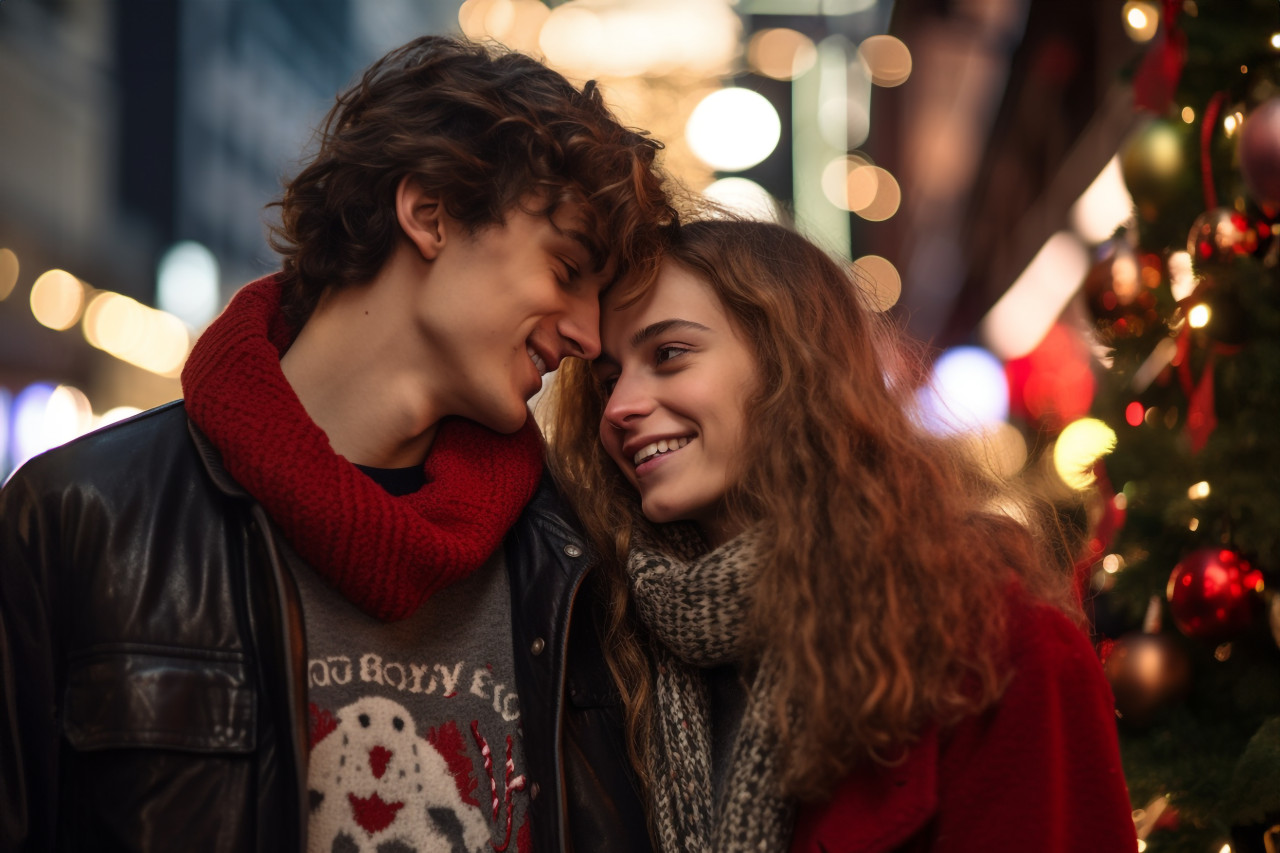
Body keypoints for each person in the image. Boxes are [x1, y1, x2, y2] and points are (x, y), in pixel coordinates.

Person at [0, 36, 672, 852]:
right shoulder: (77, 517)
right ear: (429, 211)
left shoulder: (577, 561)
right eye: (567, 269)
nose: (588, 335)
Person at [548, 218, 1139, 853]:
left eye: (668, 355)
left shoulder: (995, 641)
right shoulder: (605, 639)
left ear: (791, 363)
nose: (618, 408)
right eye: (609, 380)